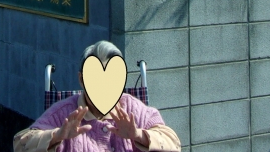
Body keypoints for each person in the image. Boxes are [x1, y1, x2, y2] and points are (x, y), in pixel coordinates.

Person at [13, 41, 181, 152]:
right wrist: (57, 136)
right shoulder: (64, 114)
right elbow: (19, 144)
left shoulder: (133, 109)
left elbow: (174, 143)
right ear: (82, 79)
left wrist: (138, 134)